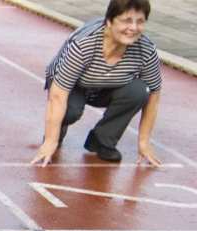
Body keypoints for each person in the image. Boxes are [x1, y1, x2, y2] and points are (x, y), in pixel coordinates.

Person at [31, 0, 162, 166]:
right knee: (71, 110)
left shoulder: (146, 50)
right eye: (126, 21)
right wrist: (50, 141)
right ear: (109, 21)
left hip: (107, 86)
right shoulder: (84, 44)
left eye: (140, 21)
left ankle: (102, 140)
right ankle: (57, 133)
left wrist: (144, 143)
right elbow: (58, 95)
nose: (134, 28)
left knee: (140, 90)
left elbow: (154, 96)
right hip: (72, 86)